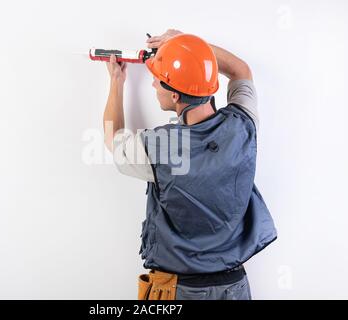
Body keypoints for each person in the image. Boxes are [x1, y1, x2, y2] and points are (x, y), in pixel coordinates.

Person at [102, 29, 277, 300]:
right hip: (234, 287)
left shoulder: (158, 148)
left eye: (158, 80)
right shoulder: (243, 125)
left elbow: (113, 136)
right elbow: (241, 71)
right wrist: (189, 45)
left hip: (180, 291)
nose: (153, 86)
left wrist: (116, 81)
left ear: (175, 97)